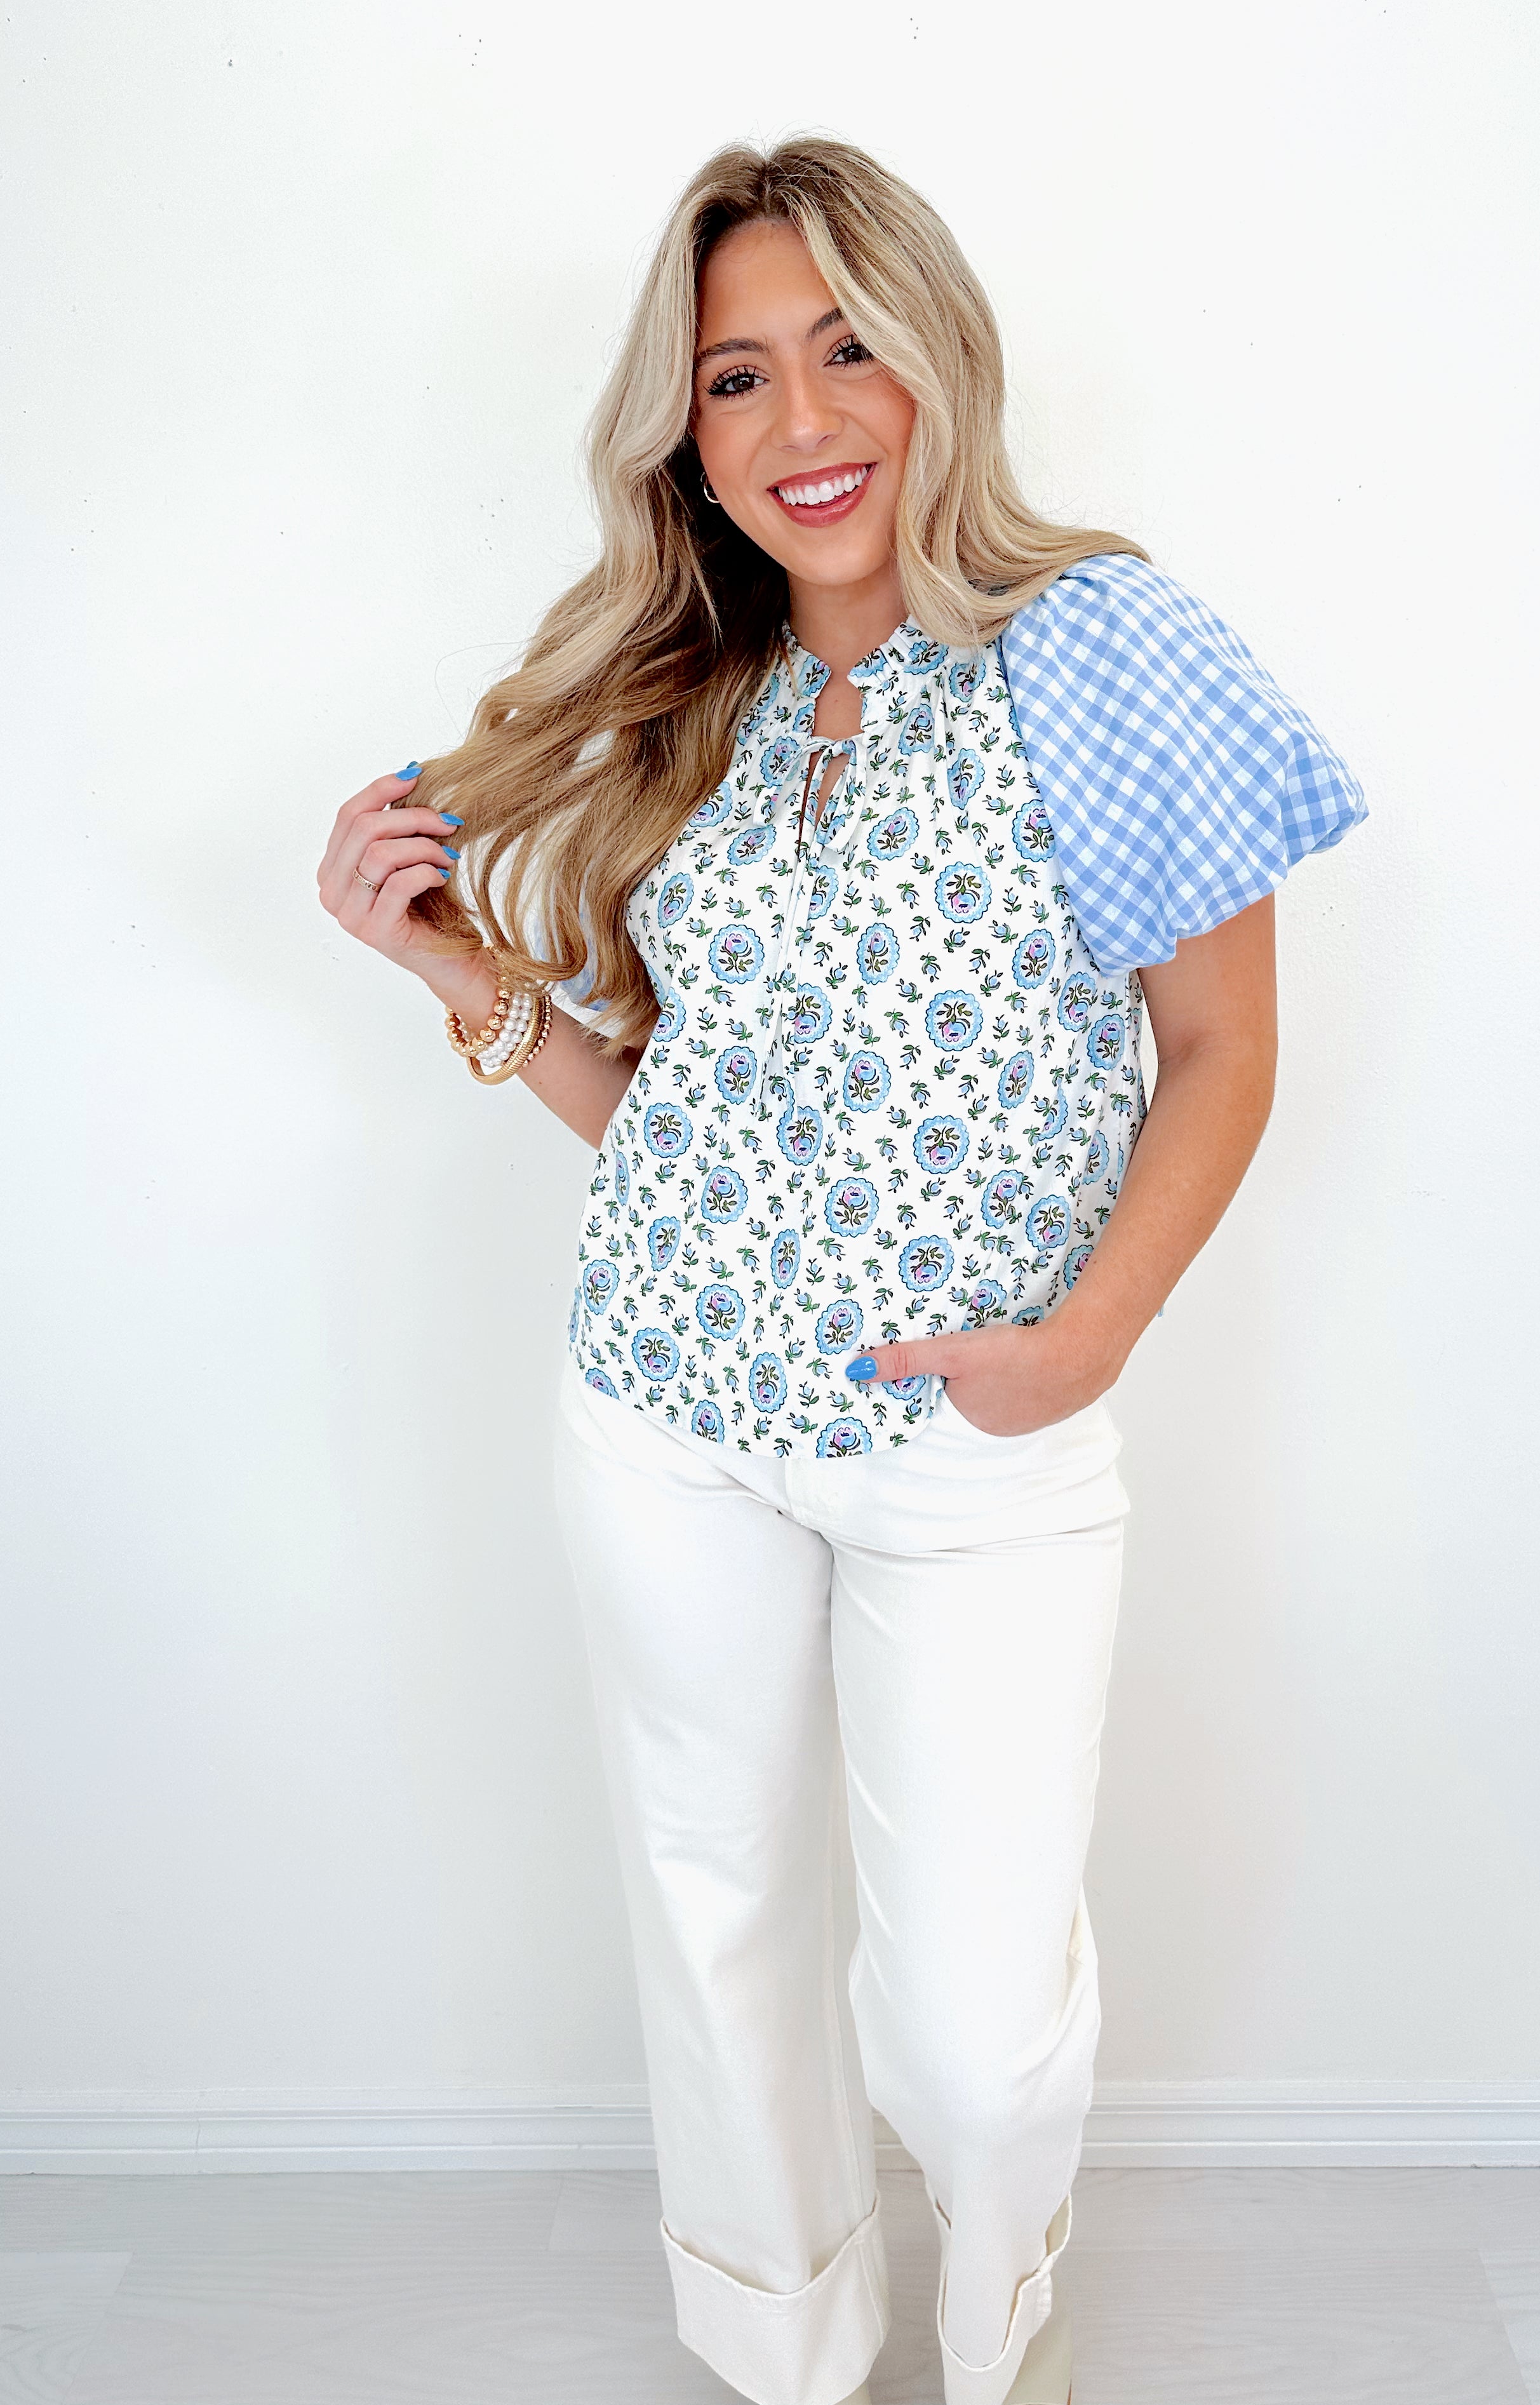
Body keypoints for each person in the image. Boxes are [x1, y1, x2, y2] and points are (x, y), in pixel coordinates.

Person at [316, 137, 1364, 2405]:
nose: (803, 422)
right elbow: (687, 1121)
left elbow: (1225, 1049)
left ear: (939, 362)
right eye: (737, 377)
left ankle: (1002, 2350)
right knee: (717, 1920)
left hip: (972, 1440)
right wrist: (454, 972)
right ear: (683, 433)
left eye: (850, 350)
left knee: (972, 2037)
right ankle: (783, 2358)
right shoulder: (708, 694)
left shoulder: (1100, 646)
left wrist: (1079, 1345)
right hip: (664, 1411)